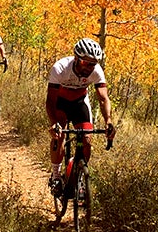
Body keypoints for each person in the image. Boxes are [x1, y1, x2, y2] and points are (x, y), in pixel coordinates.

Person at [45, 37, 115, 195]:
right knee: (59, 136)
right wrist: (54, 123)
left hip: (79, 103)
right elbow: (50, 100)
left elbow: (103, 98)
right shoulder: (61, 68)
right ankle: (56, 176)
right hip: (60, 103)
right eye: (86, 63)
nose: (90, 67)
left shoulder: (96, 71)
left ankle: (78, 175)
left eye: (93, 63)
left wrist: (108, 121)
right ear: (76, 58)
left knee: (87, 139)